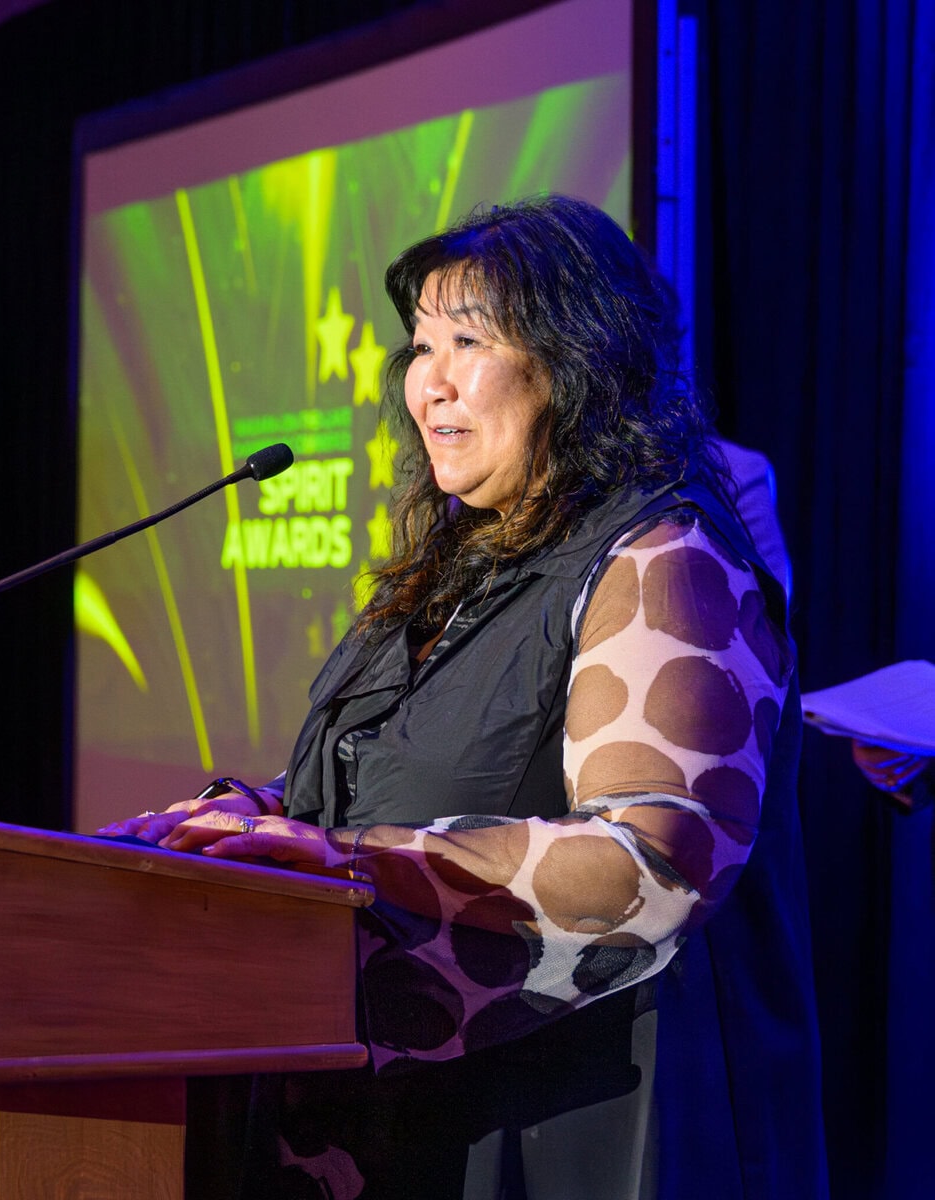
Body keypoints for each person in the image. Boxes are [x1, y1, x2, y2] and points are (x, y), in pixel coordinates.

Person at [101, 196, 827, 1198]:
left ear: (578, 363)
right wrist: (251, 817)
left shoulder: (666, 560)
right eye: (417, 346)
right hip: (403, 1116)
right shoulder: (465, 563)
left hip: (565, 1131)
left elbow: (650, 859)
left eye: (467, 341)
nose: (426, 381)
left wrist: (344, 860)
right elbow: (389, 773)